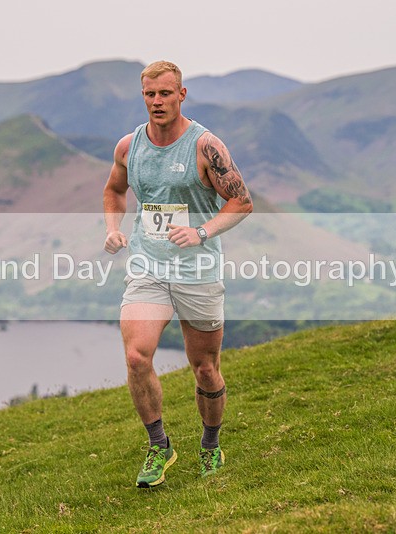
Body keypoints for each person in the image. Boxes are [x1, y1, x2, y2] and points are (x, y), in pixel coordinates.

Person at [103, 60, 253, 488]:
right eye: (150, 95)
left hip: (198, 269)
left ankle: (210, 445)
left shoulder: (206, 146)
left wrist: (201, 231)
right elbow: (114, 190)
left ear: (181, 95)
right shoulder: (129, 147)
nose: (157, 102)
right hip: (149, 266)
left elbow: (241, 202)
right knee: (136, 356)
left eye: (165, 93)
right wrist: (113, 229)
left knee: (204, 367)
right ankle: (159, 445)